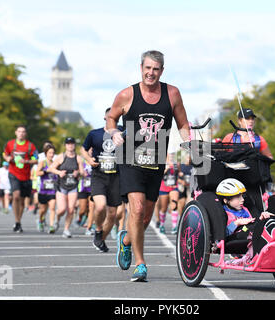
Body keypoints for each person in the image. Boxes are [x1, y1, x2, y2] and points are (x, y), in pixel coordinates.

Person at [108, 50, 190, 282]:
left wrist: (191, 145)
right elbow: (111, 118)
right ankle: (141, 264)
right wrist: (114, 132)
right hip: (130, 159)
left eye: (155, 69)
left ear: (161, 71)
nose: (151, 73)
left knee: (145, 218)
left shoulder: (172, 93)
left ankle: (126, 241)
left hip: (155, 162)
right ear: (141, 68)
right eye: (147, 68)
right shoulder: (126, 94)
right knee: (136, 208)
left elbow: (183, 124)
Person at [81, 108, 123, 252]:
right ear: (106, 117)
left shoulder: (124, 132)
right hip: (99, 175)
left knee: (112, 214)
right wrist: (88, 160)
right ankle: (98, 230)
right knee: (99, 206)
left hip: (116, 177)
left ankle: (101, 240)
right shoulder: (95, 134)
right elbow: (83, 149)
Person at [3, 125, 38, 233]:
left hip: (26, 175)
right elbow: (5, 154)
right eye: (19, 131)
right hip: (14, 173)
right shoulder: (10, 144)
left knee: (22, 201)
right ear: (15, 132)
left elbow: (36, 159)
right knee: (16, 195)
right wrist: (7, 158)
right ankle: (17, 221)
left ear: (25, 134)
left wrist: (26, 162)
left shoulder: (30, 146)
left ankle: (18, 221)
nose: (21, 133)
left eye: (23, 132)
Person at [48, 137, 84, 238]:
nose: (70, 145)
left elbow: (83, 172)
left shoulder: (78, 158)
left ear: (74, 145)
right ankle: (57, 219)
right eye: (68, 144)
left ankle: (66, 229)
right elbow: (51, 168)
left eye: (72, 143)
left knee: (71, 209)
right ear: (65, 146)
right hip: (61, 186)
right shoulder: (61, 157)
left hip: (73, 186)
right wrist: (59, 172)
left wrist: (78, 173)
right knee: (62, 209)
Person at [36, 144, 57, 233]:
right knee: (43, 210)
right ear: (46, 153)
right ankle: (40, 220)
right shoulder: (42, 163)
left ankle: (51, 226)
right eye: (49, 153)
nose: (51, 154)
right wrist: (46, 171)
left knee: (52, 207)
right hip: (43, 190)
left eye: (53, 153)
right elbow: (37, 173)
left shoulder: (55, 163)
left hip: (52, 190)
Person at [157, 155, 180, 234]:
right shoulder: (162, 162)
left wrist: (177, 166)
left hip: (174, 187)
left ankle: (174, 227)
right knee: (163, 208)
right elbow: (158, 173)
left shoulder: (176, 163)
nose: (171, 157)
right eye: (169, 156)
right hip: (164, 187)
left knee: (174, 205)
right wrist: (166, 168)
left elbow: (179, 172)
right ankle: (162, 225)